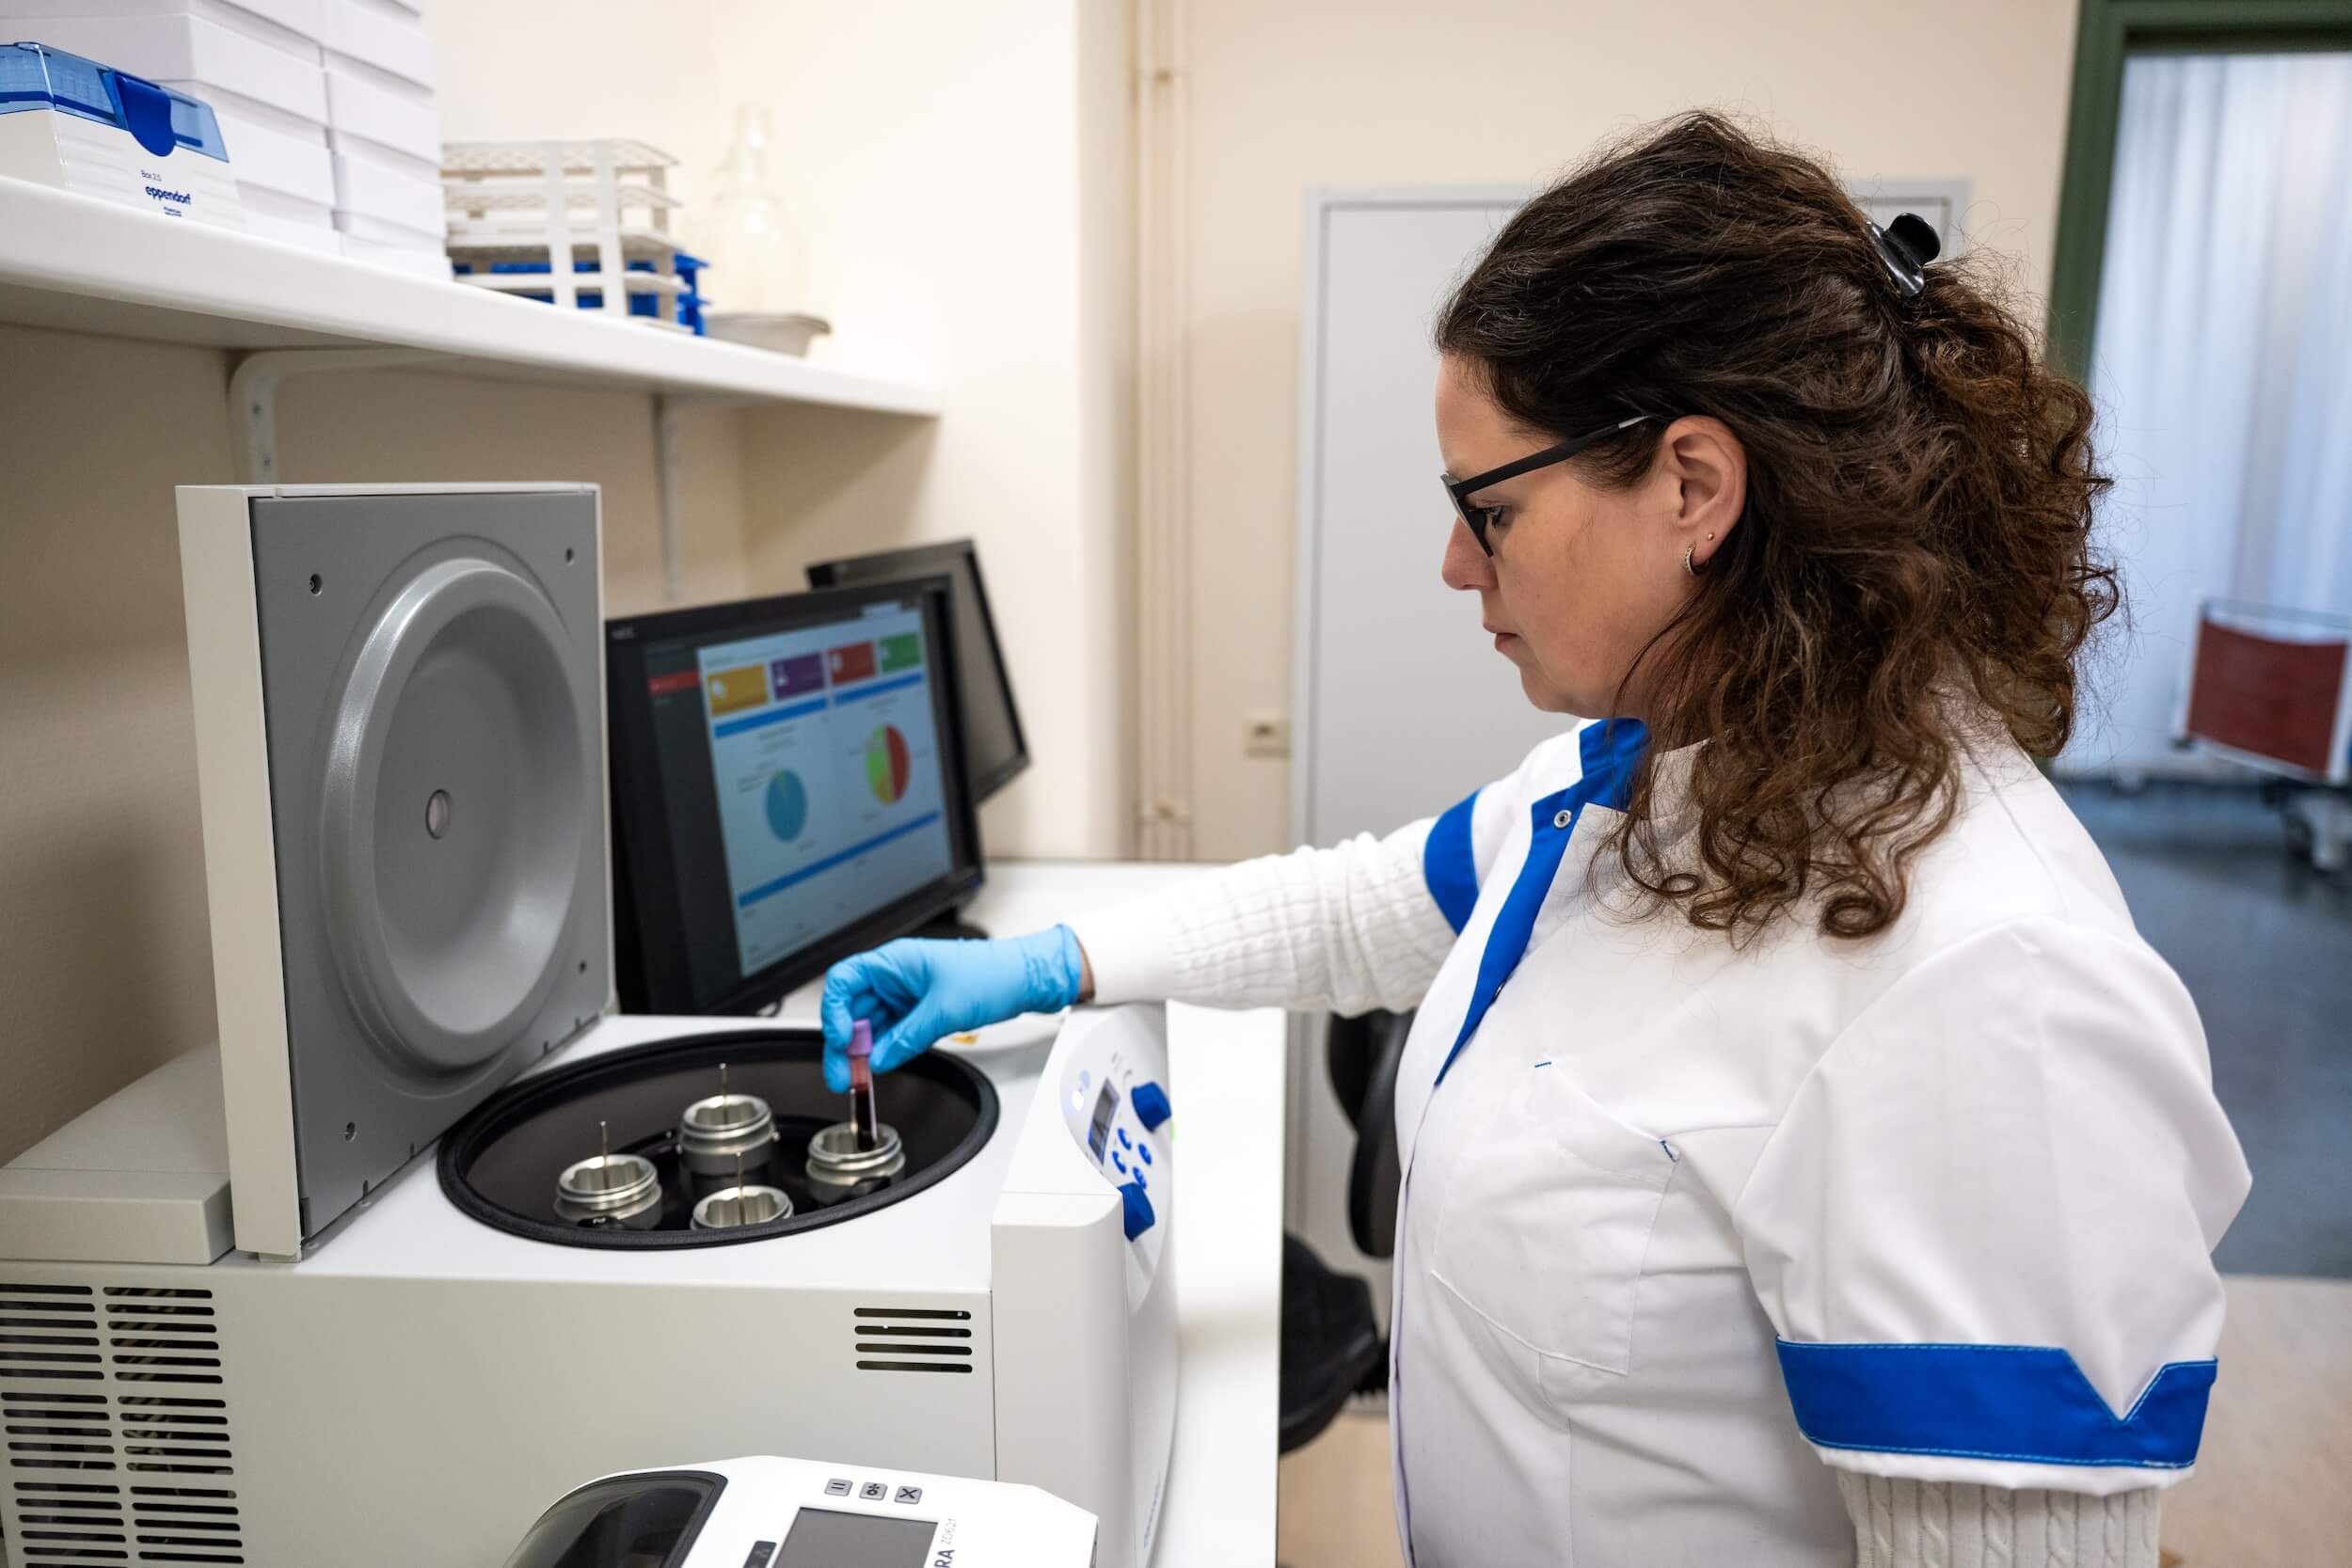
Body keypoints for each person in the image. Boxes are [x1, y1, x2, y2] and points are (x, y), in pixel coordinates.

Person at [818, 112, 2249, 1568]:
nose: (1455, 564)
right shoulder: (1656, 777)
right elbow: (1364, 908)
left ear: (1694, 487)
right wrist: (1054, 963)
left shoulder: (1992, 986)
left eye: (1488, 509)